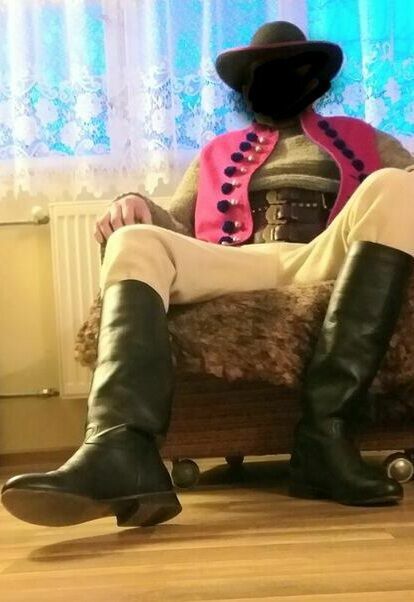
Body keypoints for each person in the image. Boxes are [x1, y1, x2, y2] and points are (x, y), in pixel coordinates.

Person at [2, 21, 414, 527]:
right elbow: (176, 222)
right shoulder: (216, 152)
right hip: (238, 260)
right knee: (135, 240)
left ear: (317, 78)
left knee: (398, 186)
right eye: (264, 71)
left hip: (327, 256)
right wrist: (134, 203)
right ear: (244, 86)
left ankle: (326, 437)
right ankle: (121, 450)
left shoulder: (365, 138)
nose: (279, 79)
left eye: (292, 68)